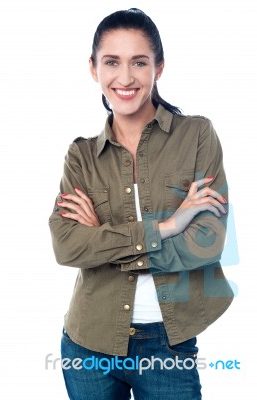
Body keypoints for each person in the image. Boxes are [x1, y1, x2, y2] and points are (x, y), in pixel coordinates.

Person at [48, 8, 234, 400]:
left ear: (159, 67)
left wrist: (104, 241)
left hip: (168, 343)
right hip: (87, 344)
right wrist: (167, 227)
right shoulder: (81, 156)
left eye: (140, 62)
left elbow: (209, 240)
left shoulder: (197, 135)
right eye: (111, 62)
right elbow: (67, 246)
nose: (126, 77)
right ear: (94, 68)